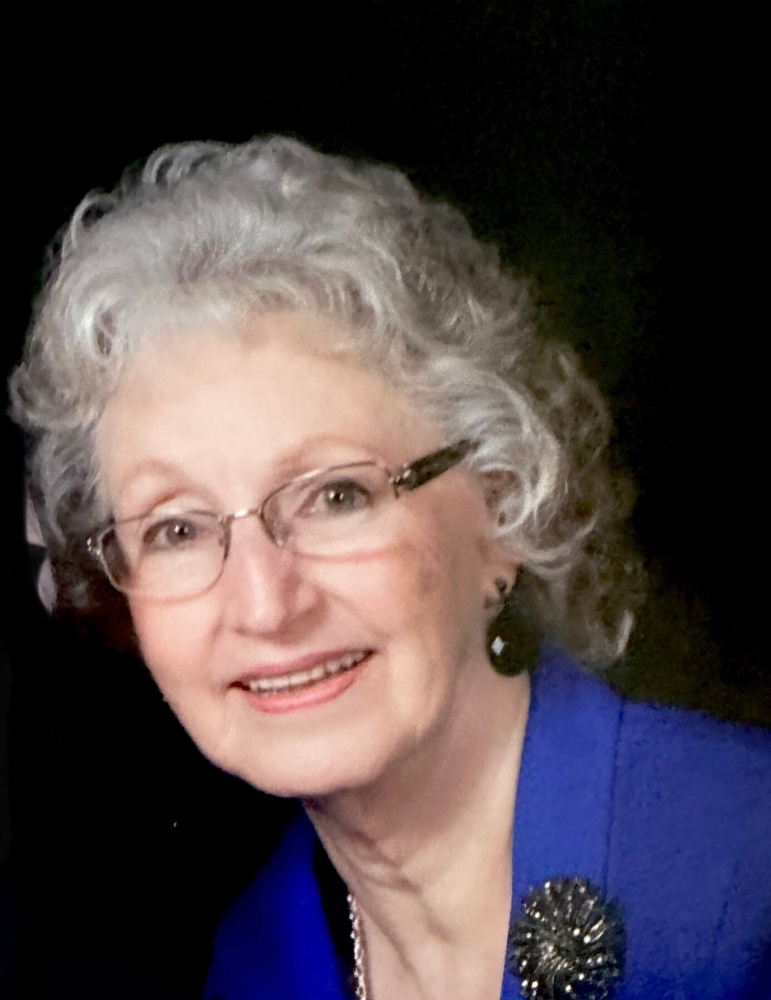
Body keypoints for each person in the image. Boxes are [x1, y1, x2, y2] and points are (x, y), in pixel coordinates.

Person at [9, 138, 770, 1000]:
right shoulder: (253, 965)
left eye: (336, 496)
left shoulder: (745, 868)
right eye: (176, 529)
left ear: (501, 505)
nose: (265, 604)